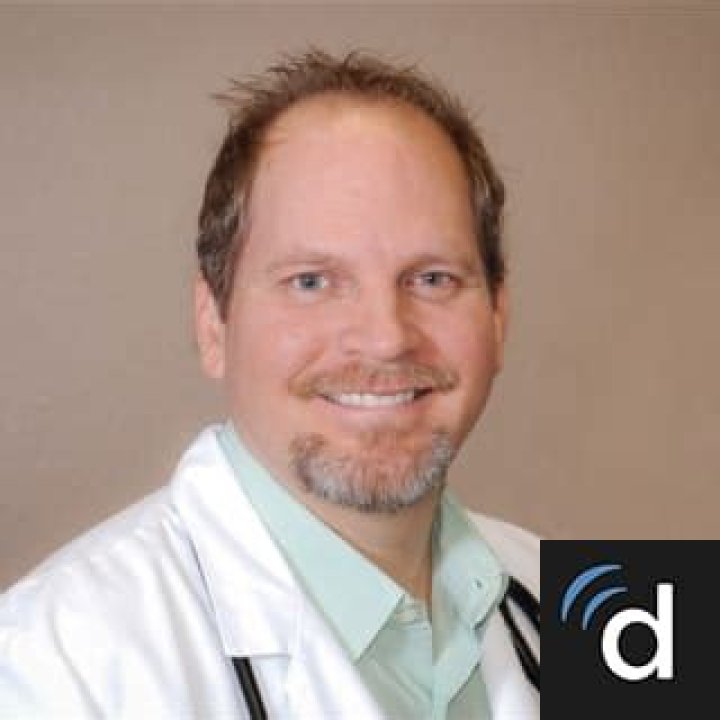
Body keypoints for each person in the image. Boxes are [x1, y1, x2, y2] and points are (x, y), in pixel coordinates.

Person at [0, 50, 540, 719]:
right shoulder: (49, 668)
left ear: (498, 317)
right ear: (213, 323)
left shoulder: (605, 607)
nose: (385, 337)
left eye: (433, 279)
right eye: (311, 281)